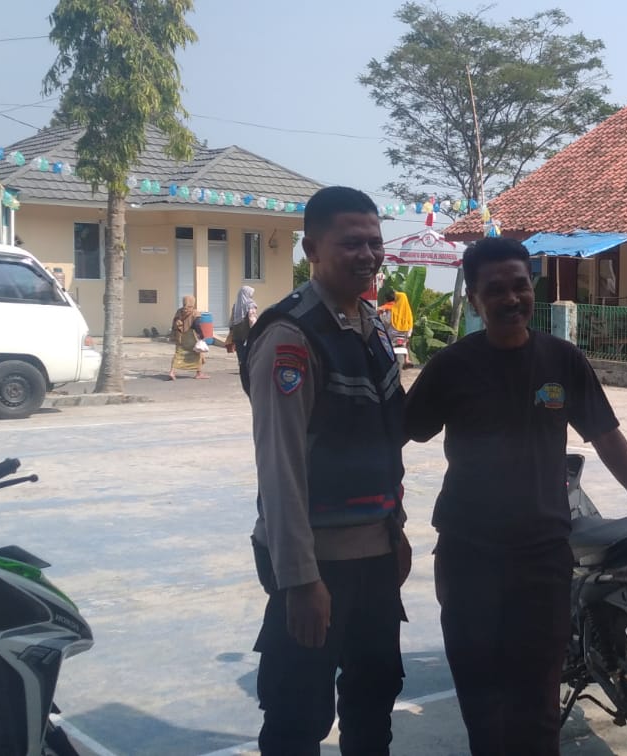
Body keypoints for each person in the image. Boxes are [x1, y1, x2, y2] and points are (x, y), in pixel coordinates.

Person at [404, 236, 627, 756]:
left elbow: (605, 436)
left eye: (520, 285)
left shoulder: (561, 360)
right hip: (469, 557)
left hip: (542, 557)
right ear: (474, 299)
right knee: (483, 703)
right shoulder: (451, 367)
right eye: (496, 290)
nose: (512, 298)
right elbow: (399, 434)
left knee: (538, 707)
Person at [241, 186, 412, 756]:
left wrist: (395, 530)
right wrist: (299, 580)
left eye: (374, 242)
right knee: (298, 715)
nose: (368, 255)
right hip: (317, 565)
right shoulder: (290, 336)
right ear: (312, 249)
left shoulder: (373, 327)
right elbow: (280, 467)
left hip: (375, 555)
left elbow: (381, 440)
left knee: (373, 701)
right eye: (351, 243)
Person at [169, 295, 208, 379]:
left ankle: (172, 372)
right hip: (191, 336)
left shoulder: (179, 311)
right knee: (197, 353)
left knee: (178, 353)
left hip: (180, 336)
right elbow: (197, 325)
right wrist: (201, 336)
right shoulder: (195, 312)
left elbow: (174, 322)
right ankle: (199, 373)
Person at [225, 284, 258, 354]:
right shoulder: (251, 305)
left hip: (236, 334)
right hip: (247, 334)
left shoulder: (236, 305)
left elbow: (231, 321)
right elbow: (252, 320)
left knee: (240, 354)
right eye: (250, 294)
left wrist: (231, 331)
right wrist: (256, 330)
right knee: (249, 353)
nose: (251, 296)